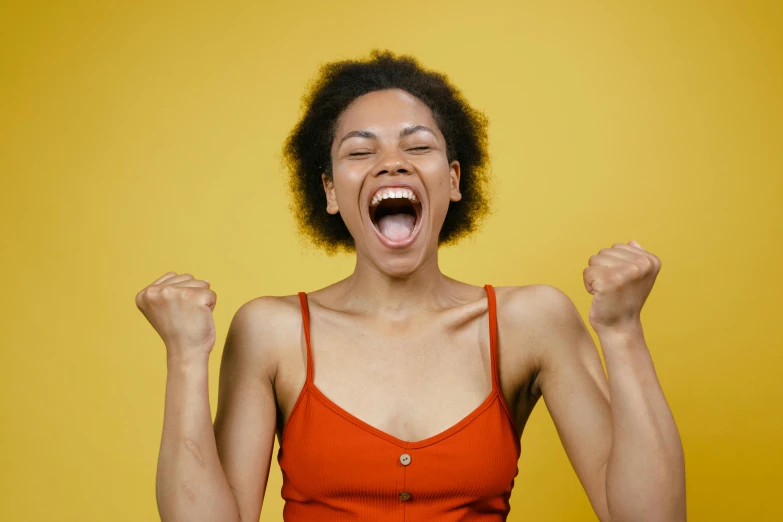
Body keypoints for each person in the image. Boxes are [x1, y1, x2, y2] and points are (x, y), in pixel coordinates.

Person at [136, 50, 686, 522]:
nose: (391, 163)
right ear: (330, 190)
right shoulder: (271, 332)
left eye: (417, 146)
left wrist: (621, 331)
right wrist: (186, 357)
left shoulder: (530, 323)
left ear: (452, 181)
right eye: (359, 151)